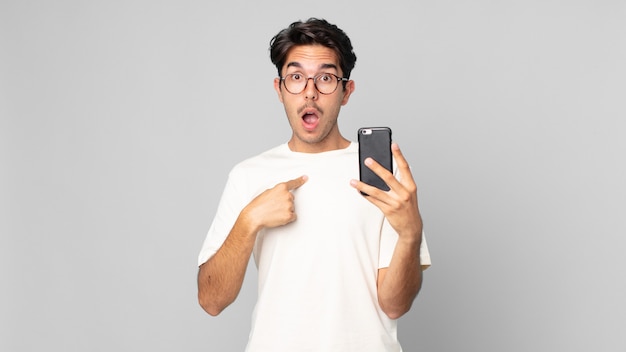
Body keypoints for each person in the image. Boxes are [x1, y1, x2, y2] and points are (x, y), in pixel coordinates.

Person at [197, 18, 431, 352]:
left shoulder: (381, 174)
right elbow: (211, 300)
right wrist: (249, 220)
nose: (310, 91)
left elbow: (394, 304)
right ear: (279, 90)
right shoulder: (248, 175)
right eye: (296, 77)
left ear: (346, 91)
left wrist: (411, 233)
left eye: (325, 78)